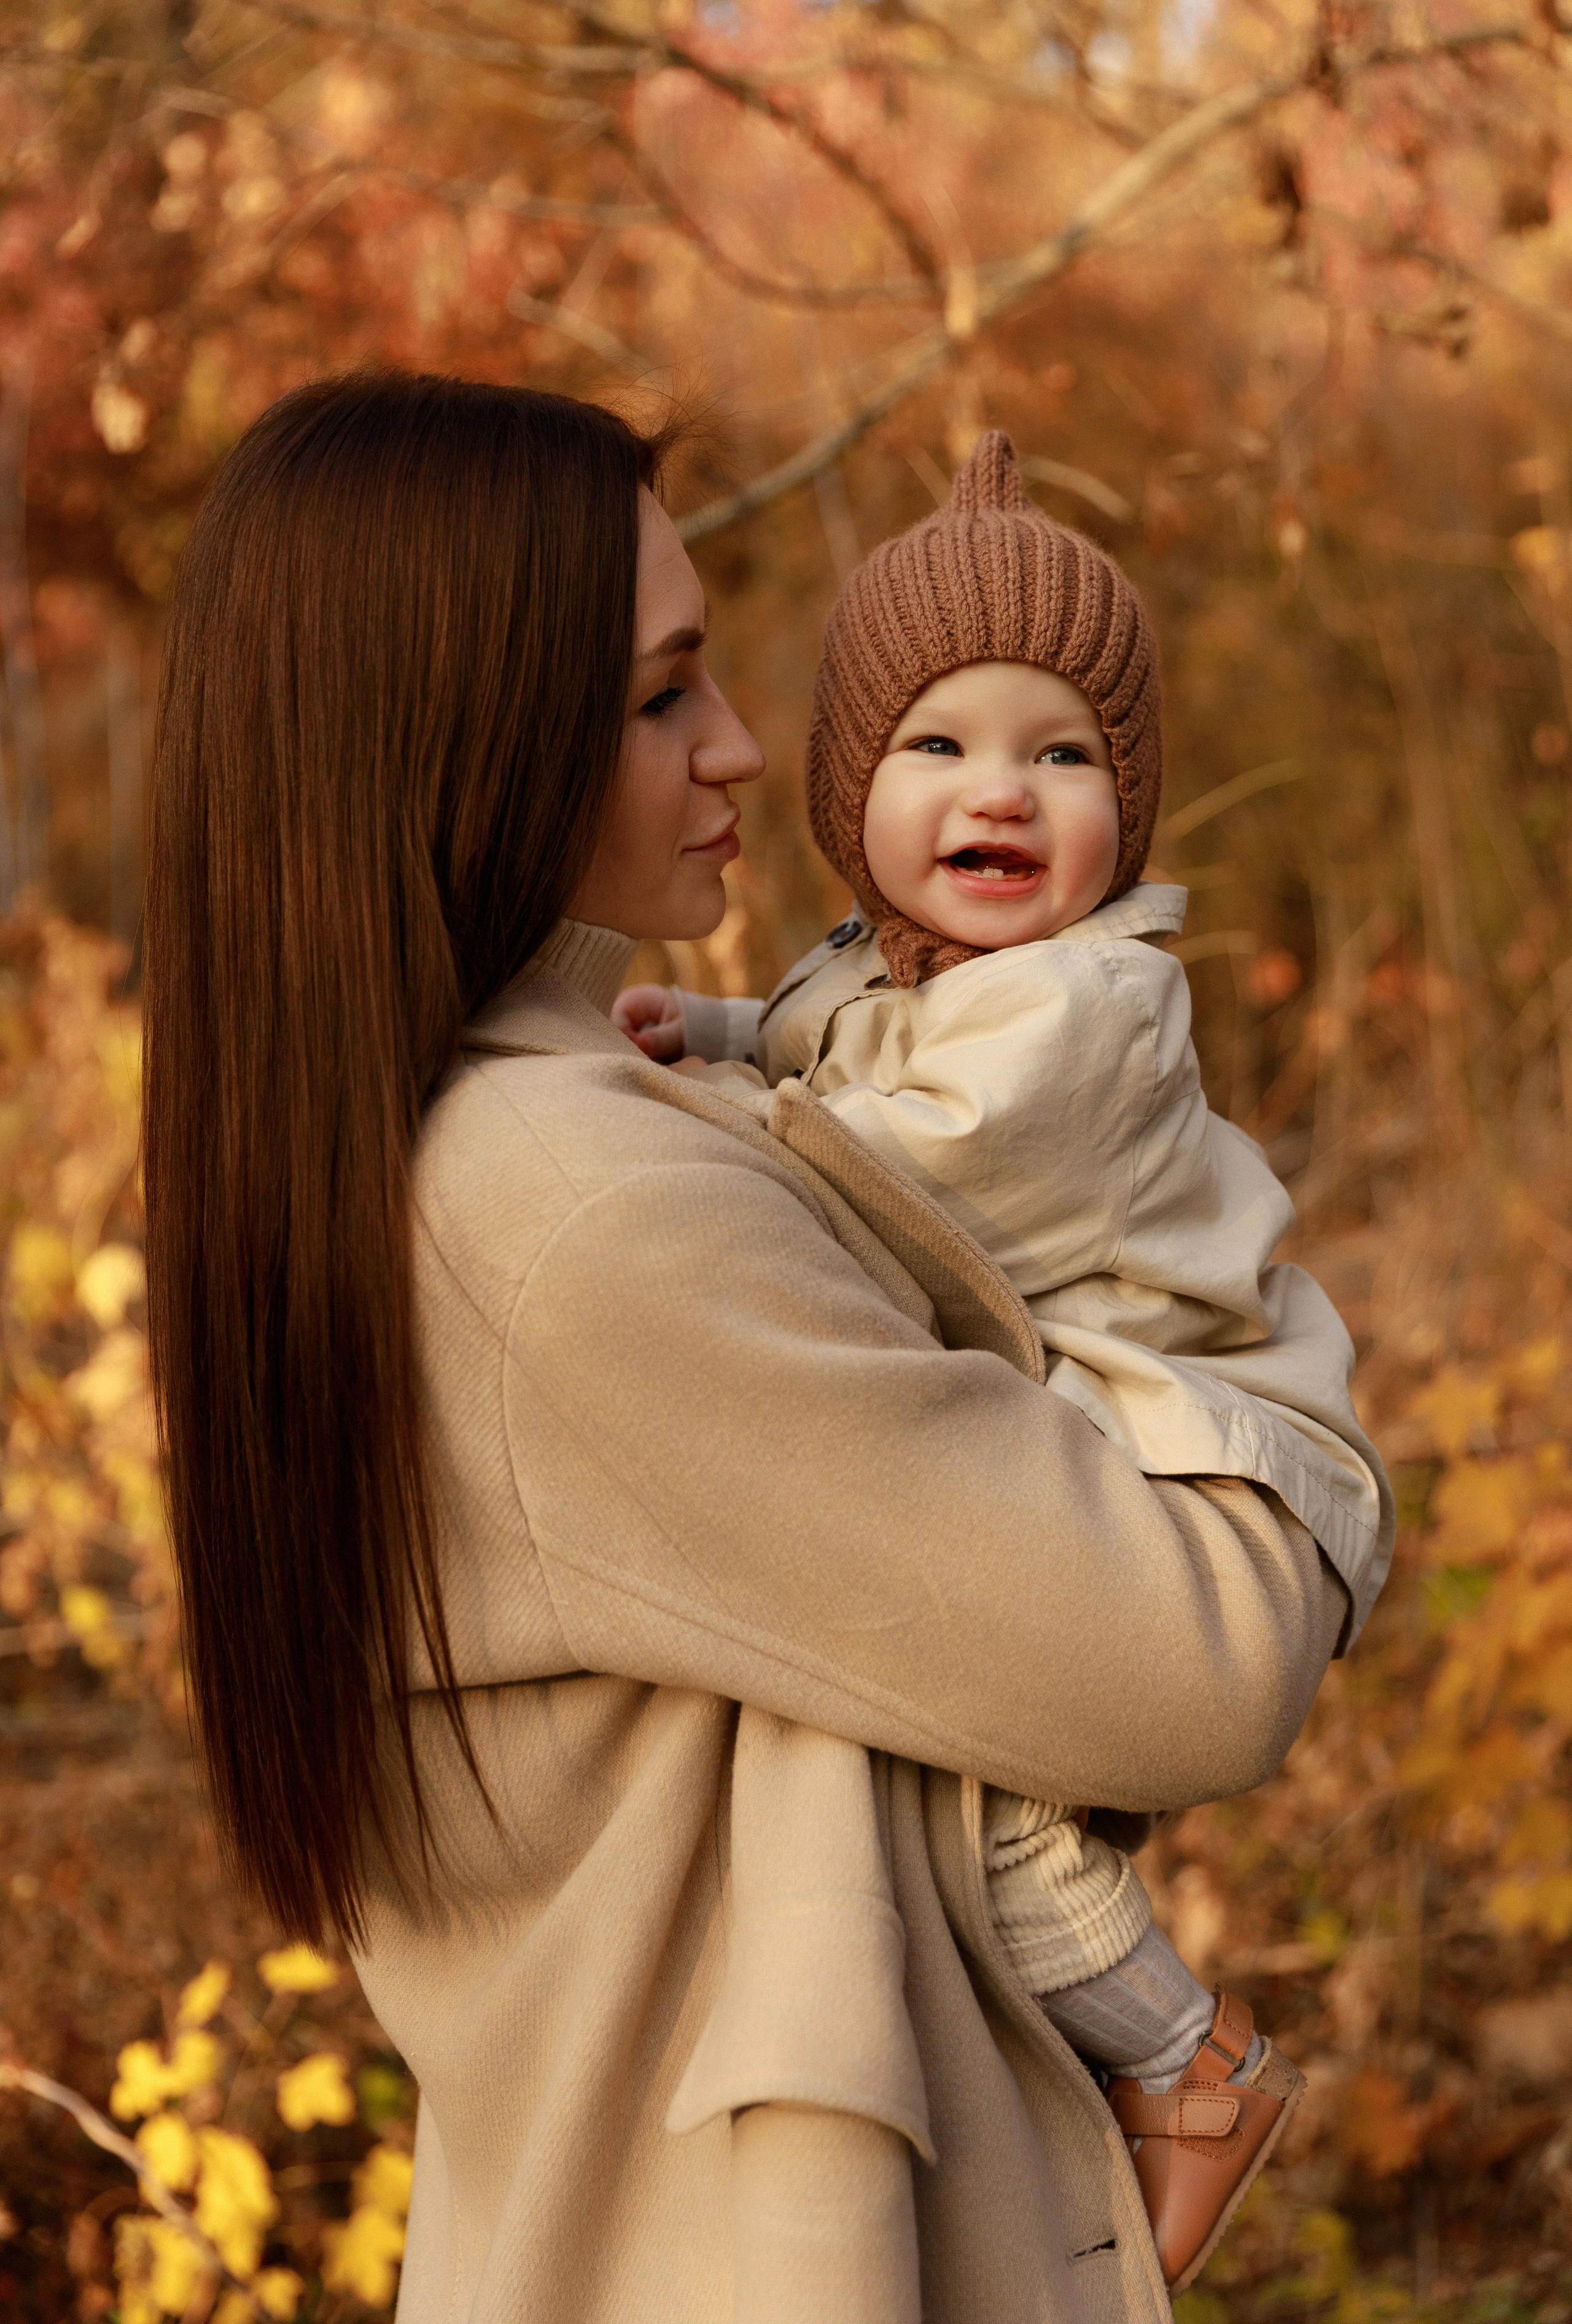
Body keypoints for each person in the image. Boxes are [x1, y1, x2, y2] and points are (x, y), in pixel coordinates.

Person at [144, 374, 1379, 2324]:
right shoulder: (577, 1214)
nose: (737, 743)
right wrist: (1280, 1354)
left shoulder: (430, 1145)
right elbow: (1207, 1661)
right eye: (661, 698)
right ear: (461, 735)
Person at [616, 431, 1393, 2288]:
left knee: (999, 1825)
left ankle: (1187, 2061)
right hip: (1095, 1421)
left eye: (1065, 756)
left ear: (1131, 804)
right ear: (850, 786)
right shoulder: (885, 969)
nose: (1003, 794)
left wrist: (692, 1128)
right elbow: (817, 1039)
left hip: (1199, 1440)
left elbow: (909, 1168)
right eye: (938, 746)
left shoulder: (1088, 1005)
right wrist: (712, 1028)